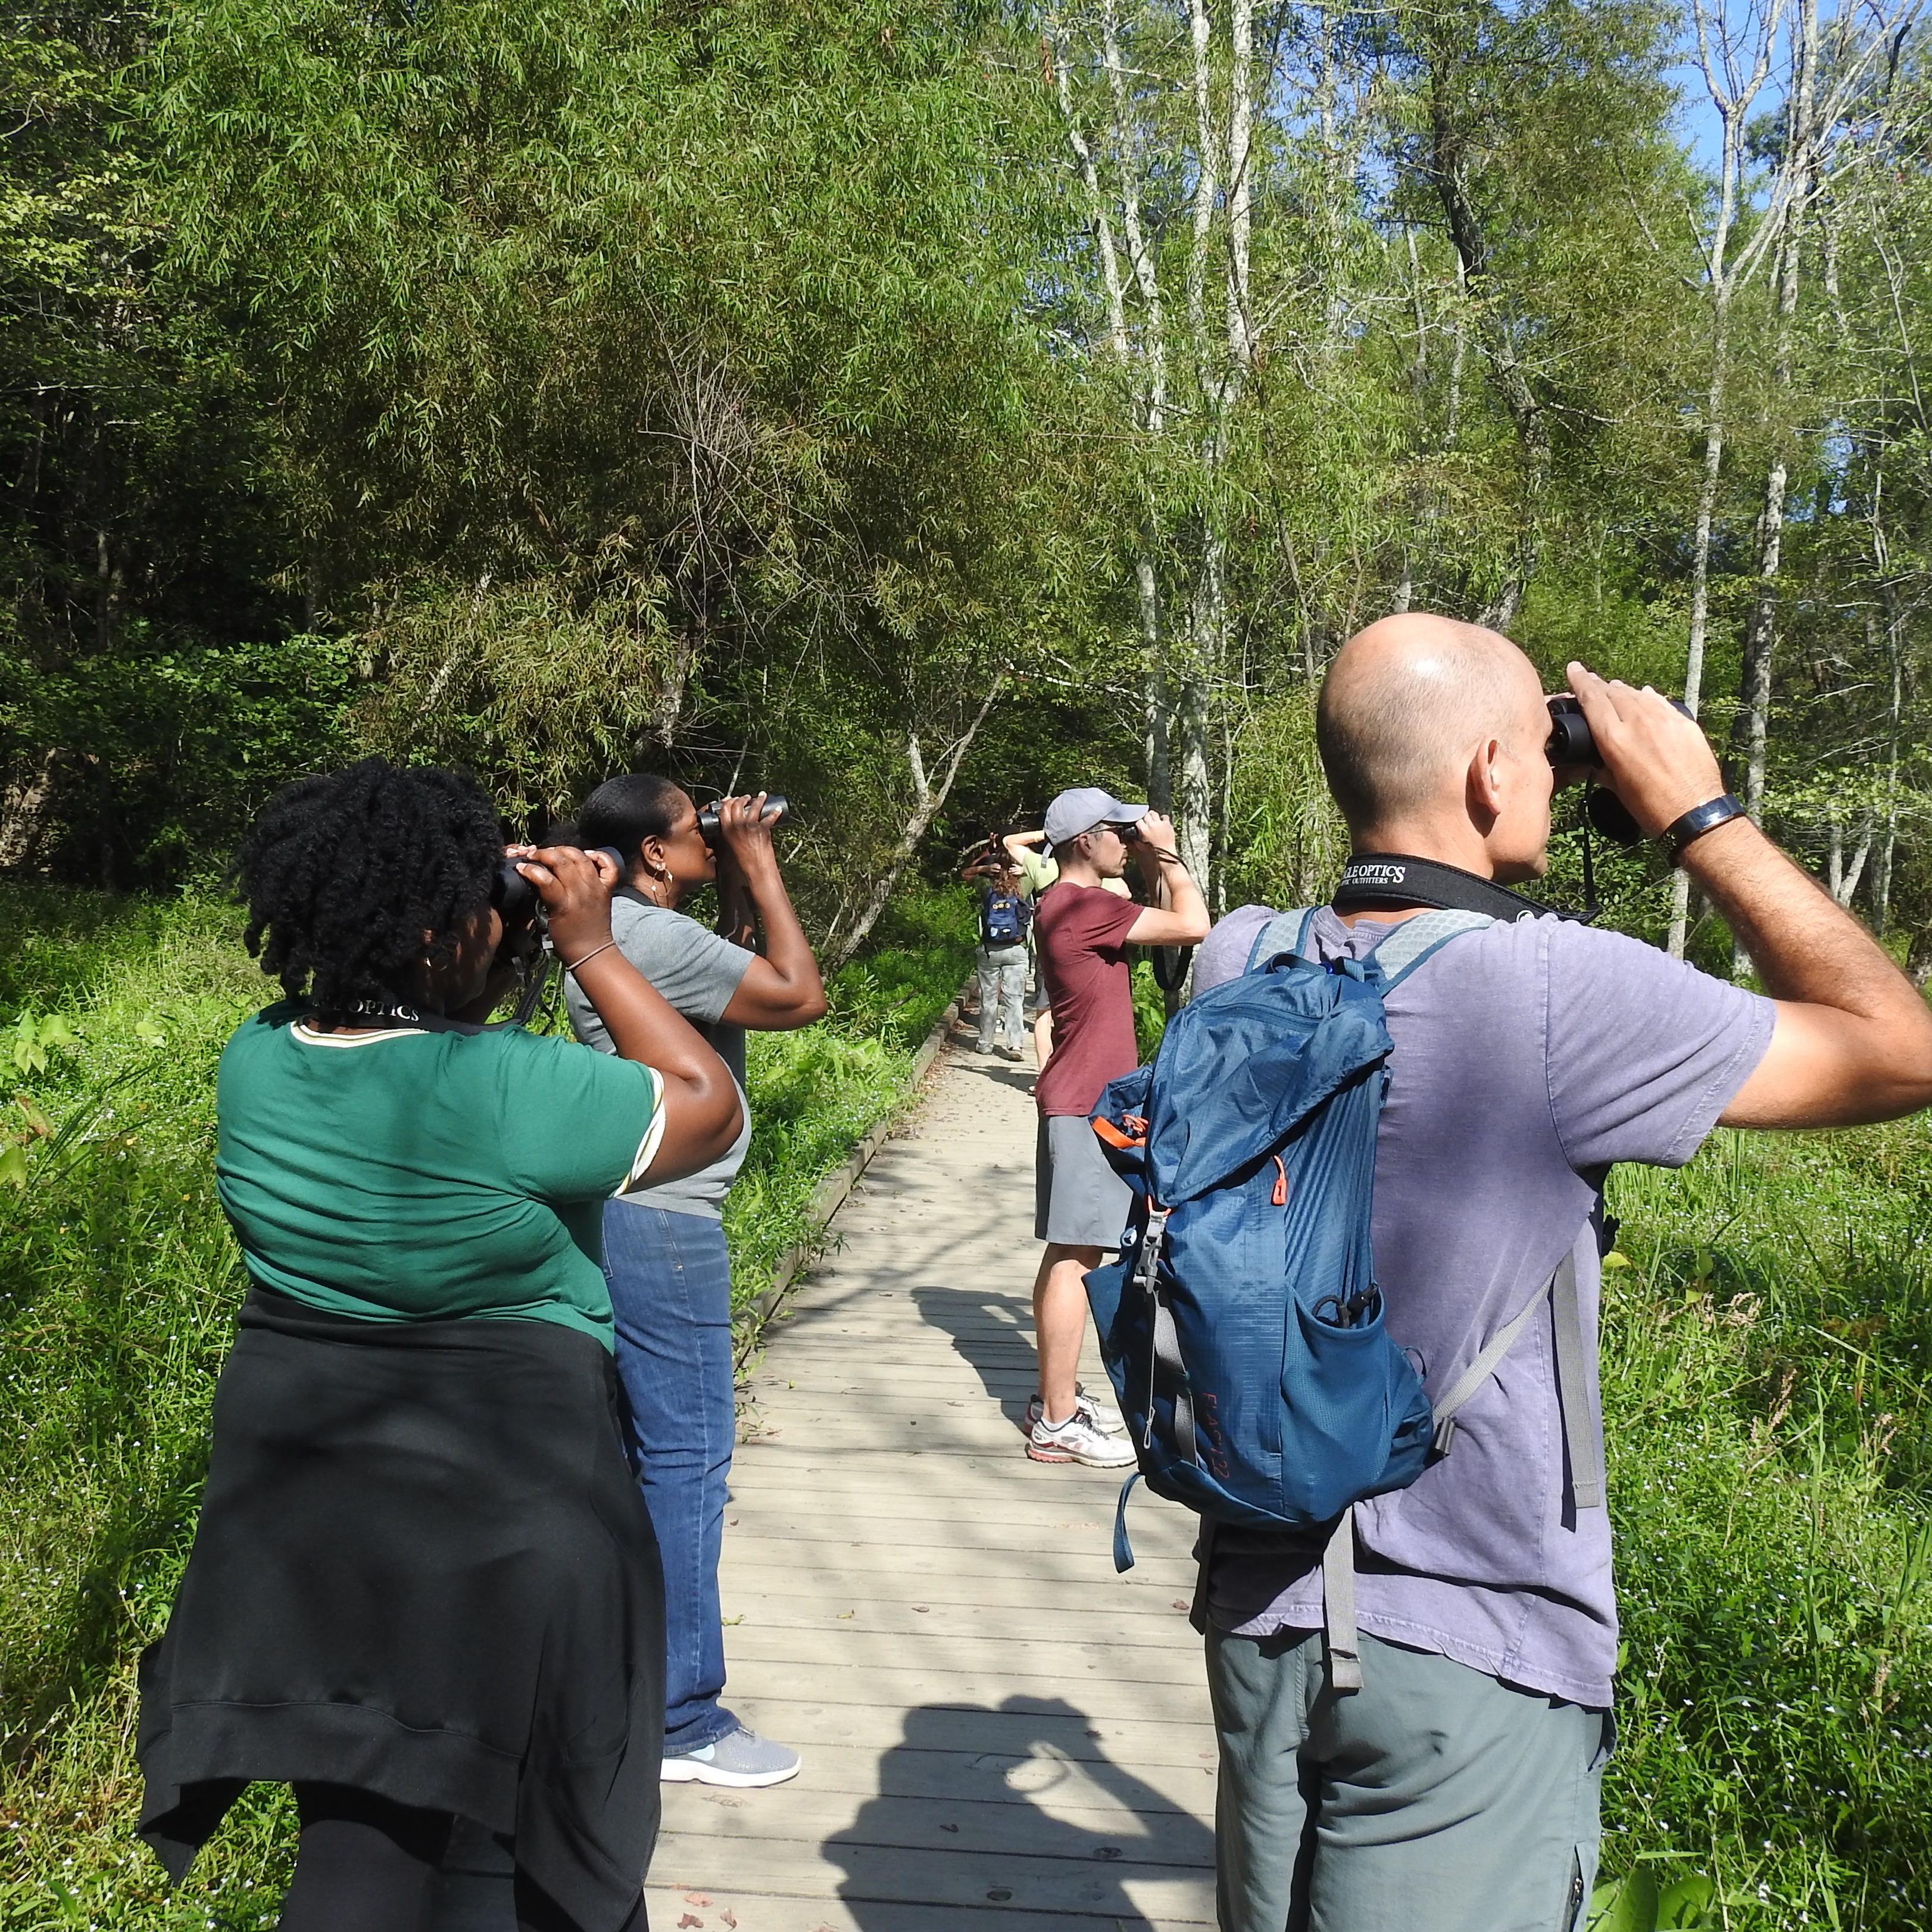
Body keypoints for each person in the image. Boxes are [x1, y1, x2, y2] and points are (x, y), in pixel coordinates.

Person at [1201, 614, 1932, 1932]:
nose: (1554, 773)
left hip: (1259, 1611)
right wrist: (1694, 808)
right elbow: (1896, 1047)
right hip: (1470, 1638)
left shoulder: (1234, 957)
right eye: (1543, 754)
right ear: (1489, 772)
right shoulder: (1557, 991)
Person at [136, 758, 742, 1932]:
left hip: (311, 1512)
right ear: (442, 931)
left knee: (366, 1838)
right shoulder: (513, 1085)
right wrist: (591, 942)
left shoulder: (256, 1058)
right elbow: (703, 1098)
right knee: (569, 1837)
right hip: (517, 1508)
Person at [566, 776, 825, 1790]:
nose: (713, 838)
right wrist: (759, 860)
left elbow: (732, 976)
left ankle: (628, 1687)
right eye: (697, 833)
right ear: (655, 857)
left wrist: (734, 867)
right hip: (667, 1228)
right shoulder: (653, 940)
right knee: (687, 1460)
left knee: (645, 1458)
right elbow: (797, 995)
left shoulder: (623, 928)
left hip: (621, 1213)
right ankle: (682, 1718)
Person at [1026, 786, 1209, 1466]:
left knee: (1066, 1256)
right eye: (1117, 833)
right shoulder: (1084, 905)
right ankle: (1055, 1421)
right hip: (1081, 1105)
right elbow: (1195, 924)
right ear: (1084, 841)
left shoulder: (1063, 903)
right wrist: (1166, 856)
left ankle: (1057, 1395)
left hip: (1075, 1099)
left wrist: (1141, 853)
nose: (1124, 844)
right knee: (1077, 1258)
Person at [960, 845, 1034, 1059]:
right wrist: (1025, 868)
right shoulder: (1024, 884)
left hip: (990, 951)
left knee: (989, 1000)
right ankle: (1015, 1046)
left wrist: (983, 869)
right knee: (1014, 1000)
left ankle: (985, 1043)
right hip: (1016, 950)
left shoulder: (986, 885)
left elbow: (964, 874)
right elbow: (1051, 874)